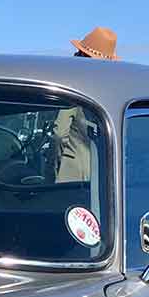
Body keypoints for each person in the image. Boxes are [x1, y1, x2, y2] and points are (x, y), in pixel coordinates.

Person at [56, 27, 118, 182]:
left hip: (71, 177)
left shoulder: (75, 88)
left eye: (78, 53)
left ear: (84, 57)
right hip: (104, 176)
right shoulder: (111, 91)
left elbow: (59, 134)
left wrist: (52, 169)